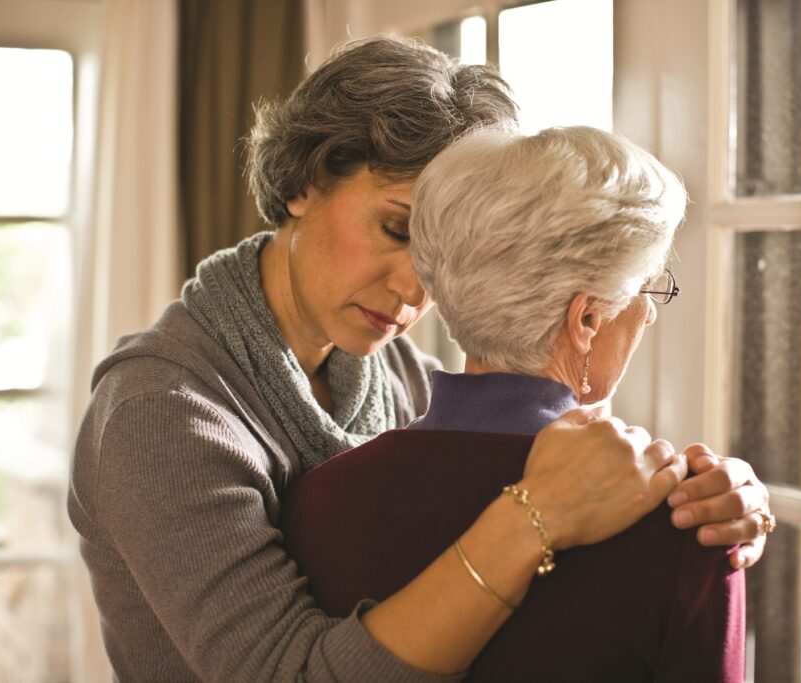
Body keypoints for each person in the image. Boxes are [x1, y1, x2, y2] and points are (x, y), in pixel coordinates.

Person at [67, 36, 770, 682]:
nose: (414, 286)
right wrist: (539, 512)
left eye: (438, 251)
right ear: (302, 182)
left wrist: (708, 493)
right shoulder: (158, 413)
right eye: (396, 227)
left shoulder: (397, 374)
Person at [280, 125, 747, 682]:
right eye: (647, 290)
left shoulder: (318, 500)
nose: (648, 314)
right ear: (587, 320)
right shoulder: (691, 528)